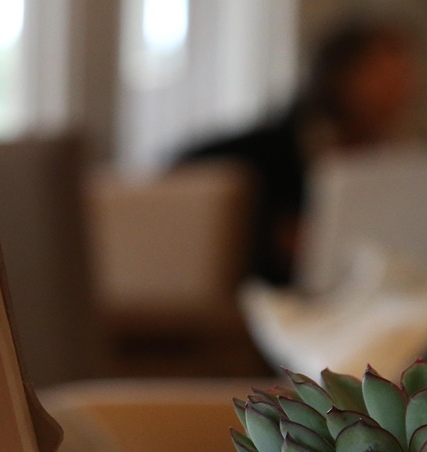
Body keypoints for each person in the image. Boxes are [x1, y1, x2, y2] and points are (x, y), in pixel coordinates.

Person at [176, 16, 421, 287]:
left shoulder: (389, 160)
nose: (399, 90)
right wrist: (271, 234)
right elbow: (184, 176)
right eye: (383, 75)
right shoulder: (270, 147)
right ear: (339, 73)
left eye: (403, 76)